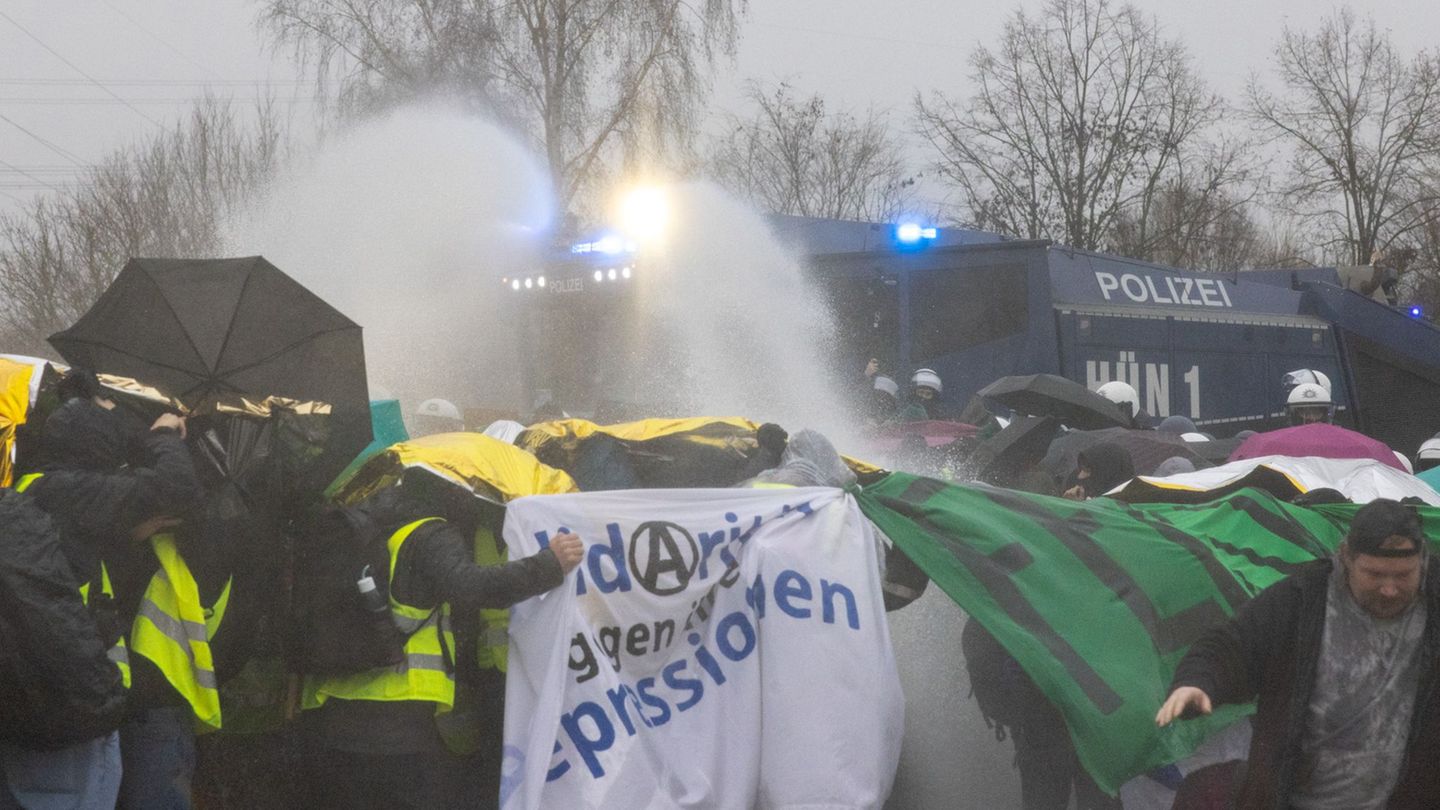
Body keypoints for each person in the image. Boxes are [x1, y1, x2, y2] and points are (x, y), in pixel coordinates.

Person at [303, 488, 584, 810]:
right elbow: (471, 587)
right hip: (398, 720)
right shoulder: (428, 531)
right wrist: (549, 564)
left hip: (330, 713)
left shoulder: (358, 527)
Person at [1156, 499, 1440, 809]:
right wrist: (1197, 682)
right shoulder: (1301, 601)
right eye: (1374, 575)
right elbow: (1232, 644)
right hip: (1298, 797)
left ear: (1423, 561)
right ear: (1345, 557)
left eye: (1403, 576)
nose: (1389, 589)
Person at [6, 371, 202, 810]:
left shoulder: (26, 490)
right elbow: (178, 488)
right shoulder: (72, 490)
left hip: (22, 701)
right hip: (72, 711)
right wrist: (166, 436)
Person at [1063, 443, 1135, 500]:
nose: (1080, 476)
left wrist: (1076, 507)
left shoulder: (1129, 509)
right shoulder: (1074, 483)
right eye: (1081, 468)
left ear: (1107, 473)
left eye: (1088, 469)